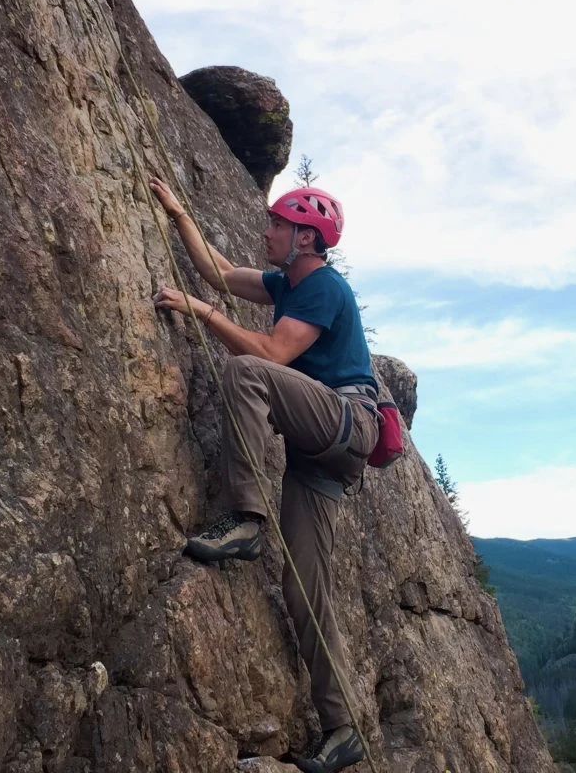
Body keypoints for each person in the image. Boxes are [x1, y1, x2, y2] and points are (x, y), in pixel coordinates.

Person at [150, 177, 377, 773]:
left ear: (306, 237)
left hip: (347, 422)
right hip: (320, 451)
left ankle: (248, 521)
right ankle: (343, 728)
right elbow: (219, 272)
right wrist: (178, 212)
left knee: (244, 371)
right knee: (307, 587)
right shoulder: (285, 283)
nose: (266, 232)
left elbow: (271, 355)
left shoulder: (323, 287)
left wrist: (201, 312)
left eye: (277, 224)